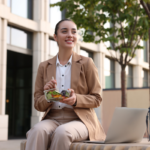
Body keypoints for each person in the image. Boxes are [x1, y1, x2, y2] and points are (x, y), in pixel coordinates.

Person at [25, 19, 106, 150]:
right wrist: (48, 96)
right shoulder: (44, 66)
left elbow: (97, 98)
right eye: (64, 31)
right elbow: (38, 104)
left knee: (63, 133)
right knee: (36, 131)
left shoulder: (87, 63)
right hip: (53, 118)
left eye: (74, 32)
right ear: (55, 37)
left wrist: (76, 99)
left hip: (81, 120)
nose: (70, 35)